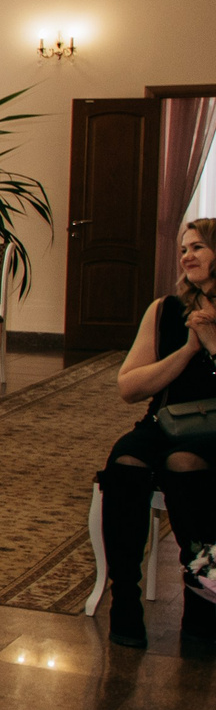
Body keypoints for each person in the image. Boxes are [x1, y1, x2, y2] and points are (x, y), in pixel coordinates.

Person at [99, 218, 216, 654]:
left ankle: (202, 604)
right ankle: (124, 598)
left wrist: (213, 343)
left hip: (211, 432)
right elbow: (129, 388)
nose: (187, 255)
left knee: (184, 463)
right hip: (164, 421)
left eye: (199, 247)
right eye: (184, 248)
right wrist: (187, 349)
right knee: (126, 462)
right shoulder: (164, 309)